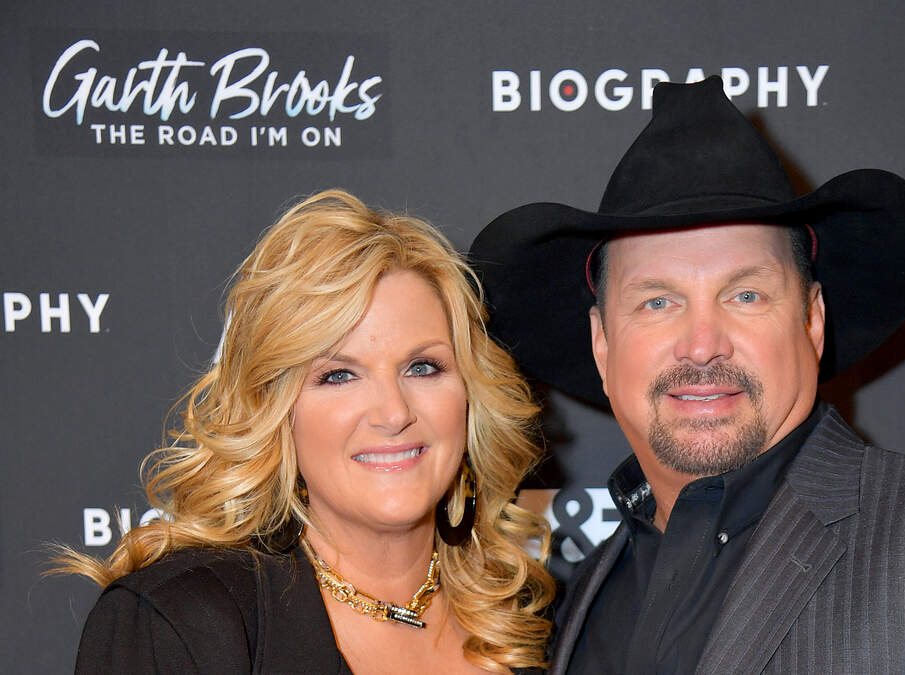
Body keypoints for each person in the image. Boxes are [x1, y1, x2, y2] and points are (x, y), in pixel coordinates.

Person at [469, 77, 905, 674]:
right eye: (658, 302)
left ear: (812, 321)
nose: (703, 344)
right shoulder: (576, 602)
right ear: (602, 343)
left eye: (746, 294)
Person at [56, 189, 555, 673]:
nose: (393, 412)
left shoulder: (528, 623)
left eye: (422, 367)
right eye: (338, 375)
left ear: (470, 395)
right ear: (275, 410)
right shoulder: (183, 623)